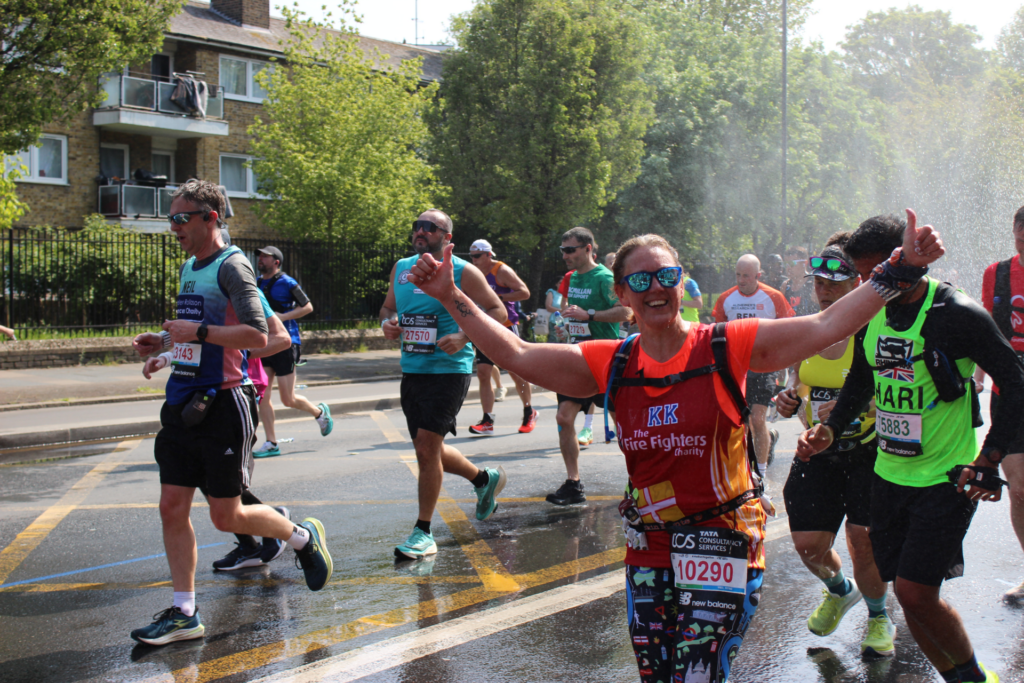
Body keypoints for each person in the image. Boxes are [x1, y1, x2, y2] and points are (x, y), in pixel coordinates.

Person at [403, 214, 943, 683]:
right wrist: (451, 294)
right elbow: (517, 353)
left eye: (666, 275)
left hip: (723, 539)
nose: (655, 288)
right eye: (640, 279)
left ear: (681, 282)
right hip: (651, 542)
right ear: (622, 294)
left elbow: (827, 323)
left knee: (698, 672)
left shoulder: (726, 345)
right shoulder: (610, 361)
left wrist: (901, 269)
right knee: (657, 672)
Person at [797, 213, 1024, 683]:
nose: (870, 284)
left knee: (918, 593)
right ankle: (957, 677)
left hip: (946, 477)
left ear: (908, 261)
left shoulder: (955, 313)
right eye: (863, 276)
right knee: (906, 593)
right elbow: (863, 376)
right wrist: (832, 428)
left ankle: (974, 678)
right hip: (889, 475)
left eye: (876, 271)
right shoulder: (872, 309)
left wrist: (990, 456)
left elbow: (1015, 382)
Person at [129, 179, 332, 646]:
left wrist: (194, 333)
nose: (174, 226)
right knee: (171, 506)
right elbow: (201, 331)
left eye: (182, 218)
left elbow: (261, 336)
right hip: (183, 402)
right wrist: (163, 347)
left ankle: (299, 536)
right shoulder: (190, 266)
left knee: (227, 516)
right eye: (171, 218)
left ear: (210, 218)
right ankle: (184, 611)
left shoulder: (233, 267)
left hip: (224, 405)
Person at [774, 238, 894, 658]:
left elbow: (898, 387)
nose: (823, 288)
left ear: (855, 284)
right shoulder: (807, 328)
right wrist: (788, 400)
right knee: (809, 545)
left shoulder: (876, 329)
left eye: (833, 281)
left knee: (862, 539)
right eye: (818, 281)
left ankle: (879, 616)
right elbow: (795, 382)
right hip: (816, 452)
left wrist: (853, 407)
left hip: (868, 451)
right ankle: (840, 591)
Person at [379, 209, 509, 560]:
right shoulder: (401, 268)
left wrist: (464, 336)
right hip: (413, 368)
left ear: (447, 238)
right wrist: (389, 325)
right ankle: (484, 480)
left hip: (449, 369)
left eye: (429, 227)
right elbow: (387, 309)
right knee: (429, 449)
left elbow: (498, 312)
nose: (420, 231)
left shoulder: (464, 272)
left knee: (425, 447)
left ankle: (423, 531)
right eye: (416, 226)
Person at [143, 288, 295, 571]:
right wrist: (164, 354)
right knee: (204, 476)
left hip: (233, 392)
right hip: (198, 391)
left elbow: (280, 338)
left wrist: (232, 351)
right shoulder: (197, 280)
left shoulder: (237, 284)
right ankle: (251, 545)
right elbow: (195, 341)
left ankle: (276, 524)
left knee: (223, 485)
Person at [549, 227, 629, 505]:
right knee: (563, 418)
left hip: (603, 360)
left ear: (587, 249)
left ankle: (640, 481)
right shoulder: (571, 278)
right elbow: (572, 313)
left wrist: (590, 314)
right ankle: (574, 484)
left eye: (570, 250)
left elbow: (626, 311)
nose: (565, 256)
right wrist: (567, 328)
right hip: (576, 359)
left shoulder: (605, 278)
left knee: (624, 426)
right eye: (563, 250)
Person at [976, 203, 1024, 603]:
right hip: (1009, 388)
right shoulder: (998, 273)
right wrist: (976, 377)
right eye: (1019, 237)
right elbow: (985, 331)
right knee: (1019, 488)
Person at [713, 254, 794, 480]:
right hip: (736, 366)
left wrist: (784, 363)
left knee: (757, 419)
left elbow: (787, 329)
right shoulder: (725, 299)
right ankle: (747, 467)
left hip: (764, 365)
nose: (741, 280)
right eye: (738, 275)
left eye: (746, 276)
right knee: (742, 421)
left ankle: (762, 474)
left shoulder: (773, 297)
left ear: (758, 276)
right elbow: (716, 333)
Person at [252, 246, 332, 458]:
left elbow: (307, 307)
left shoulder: (287, 282)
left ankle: (319, 412)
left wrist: (282, 317)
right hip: (266, 343)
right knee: (263, 395)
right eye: (259, 256)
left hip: (287, 343)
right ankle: (271, 442)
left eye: (264, 257)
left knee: (287, 399)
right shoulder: (257, 284)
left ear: (276, 262)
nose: (260, 259)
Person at [466, 239, 539, 435]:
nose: (473, 260)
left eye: (477, 256)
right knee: (483, 372)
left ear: (489, 255)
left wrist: (499, 298)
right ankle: (487, 420)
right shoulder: (472, 273)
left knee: (516, 372)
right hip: (483, 327)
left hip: (505, 327)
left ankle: (529, 411)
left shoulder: (501, 271)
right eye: (471, 256)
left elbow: (524, 292)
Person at [784, 246, 817, 316]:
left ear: (804, 263)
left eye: (792, 263)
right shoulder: (785, 285)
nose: (788, 268)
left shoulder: (815, 283)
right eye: (786, 264)